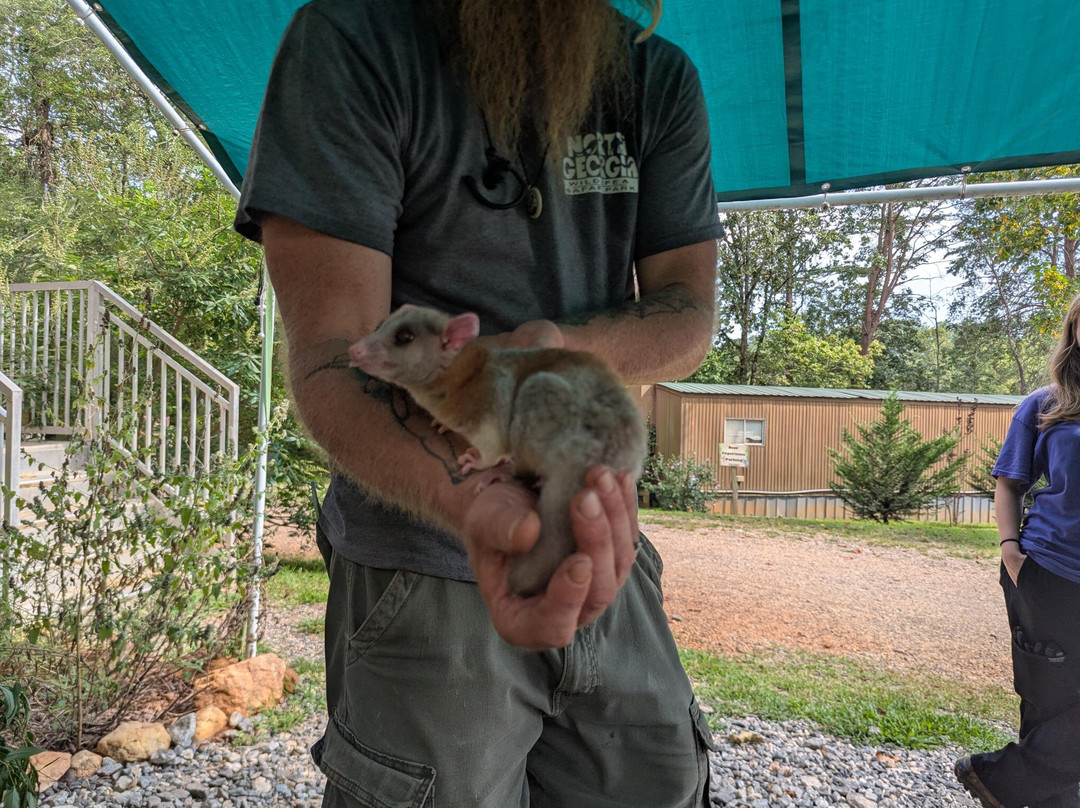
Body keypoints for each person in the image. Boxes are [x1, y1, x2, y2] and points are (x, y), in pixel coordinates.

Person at [234, 1, 724, 805]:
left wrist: (557, 350)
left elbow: (689, 316)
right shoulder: (354, 38)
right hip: (420, 558)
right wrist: (468, 498)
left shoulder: (656, 74)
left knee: (660, 779)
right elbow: (333, 351)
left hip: (601, 532)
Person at [954, 294, 1080, 808]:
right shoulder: (1047, 403)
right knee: (1048, 696)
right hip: (1050, 570)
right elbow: (1010, 482)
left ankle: (1002, 779)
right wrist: (1011, 552)